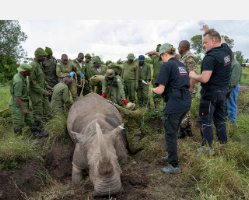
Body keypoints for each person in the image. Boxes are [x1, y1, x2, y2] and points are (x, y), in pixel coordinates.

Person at [189, 25, 232, 154]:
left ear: (213, 41)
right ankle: (223, 142)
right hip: (223, 92)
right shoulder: (227, 50)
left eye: (205, 42)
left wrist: (194, 75)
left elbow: (205, 78)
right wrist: (208, 30)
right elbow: (222, 39)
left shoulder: (210, 57)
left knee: (205, 119)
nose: (203, 45)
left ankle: (208, 148)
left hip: (211, 94)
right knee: (220, 118)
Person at [151, 43, 191, 173]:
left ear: (164, 54)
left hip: (175, 103)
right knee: (173, 130)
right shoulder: (181, 65)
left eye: (161, 56)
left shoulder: (167, 65)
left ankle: (173, 165)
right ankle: (171, 155)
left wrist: (153, 89)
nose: (161, 59)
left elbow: (160, 90)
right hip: (185, 101)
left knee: (170, 133)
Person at [9, 63, 48, 138]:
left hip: (23, 102)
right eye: (29, 71)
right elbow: (17, 97)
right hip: (17, 104)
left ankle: (36, 134)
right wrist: (23, 109)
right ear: (24, 72)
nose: (31, 72)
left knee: (30, 119)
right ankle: (18, 140)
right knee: (18, 122)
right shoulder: (19, 81)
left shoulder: (23, 77)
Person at [176, 40, 198, 139]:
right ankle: (188, 129)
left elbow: (192, 75)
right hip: (184, 87)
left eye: (179, 46)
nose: (178, 48)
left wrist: (189, 90)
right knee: (186, 108)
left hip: (188, 88)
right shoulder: (183, 57)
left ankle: (183, 130)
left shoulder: (190, 58)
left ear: (184, 48)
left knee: (184, 109)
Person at [29, 47, 53, 127]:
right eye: (44, 56)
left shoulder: (39, 64)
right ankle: (37, 129)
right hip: (35, 92)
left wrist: (48, 87)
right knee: (37, 111)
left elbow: (41, 78)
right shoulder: (33, 65)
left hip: (42, 90)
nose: (45, 58)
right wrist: (43, 91)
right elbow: (32, 83)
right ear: (38, 56)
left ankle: (47, 124)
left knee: (47, 108)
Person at [146, 44, 163, 111]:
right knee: (155, 92)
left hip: (163, 78)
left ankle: (162, 106)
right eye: (157, 50)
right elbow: (149, 55)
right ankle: (156, 106)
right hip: (155, 78)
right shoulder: (154, 57)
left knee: (163, 91)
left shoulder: (165, 57)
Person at [227, 52, 242, 125]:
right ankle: (227, 121)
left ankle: (232, 123)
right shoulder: (229, 63)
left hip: (232, 88)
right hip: (228, 87)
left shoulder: (235, 64)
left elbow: (234, 79)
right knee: (227, 105)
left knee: (231, 105)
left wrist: (229, 90)